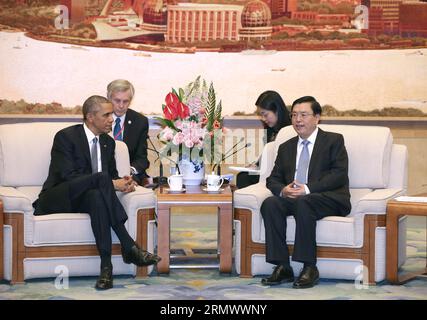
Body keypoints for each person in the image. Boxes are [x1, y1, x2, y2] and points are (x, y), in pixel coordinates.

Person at [32, 95, 161, 290]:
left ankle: (106, 269)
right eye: (106, 114)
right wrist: (111, 182)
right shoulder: (66, 137)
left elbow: (113, 178)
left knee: (97, 197)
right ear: (90, 117)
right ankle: (129, 246)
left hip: (86, 199)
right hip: (58, 197)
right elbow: (68, 176)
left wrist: (124, 183)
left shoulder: (108, 143)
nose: (112, 119)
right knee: (101, 179)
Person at [260, 96, 351, 289]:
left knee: (304, 201)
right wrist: (283, 190)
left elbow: (339, 175)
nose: (297, 120)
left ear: (317, 117)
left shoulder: (333, 141)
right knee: (270, 203)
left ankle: (309, 266)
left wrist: (307, 189)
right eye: (294, 115)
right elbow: (272, 179)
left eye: (303, 115)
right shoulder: (286, 147)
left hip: (328, 198)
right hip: (296, 198)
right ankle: (282, 265)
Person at [236, 90, 291, 189]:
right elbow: (267, 153)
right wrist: (256, 165)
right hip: (268, 171)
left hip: (281, 175)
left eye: (265, 115)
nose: (263, 119)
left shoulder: (289, 131)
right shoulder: (270, 130)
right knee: (243, 176)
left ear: (277, 110)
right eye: (260, 115)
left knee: (244, 178)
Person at [107, 79, 150, 185]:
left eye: (125, 101)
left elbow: (142, 159)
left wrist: (130, 172)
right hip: (105, 177)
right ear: (109, 99)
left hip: (130, 177)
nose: (121, 106)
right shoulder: (100, 118)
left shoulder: (140, 121)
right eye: (117, 101)